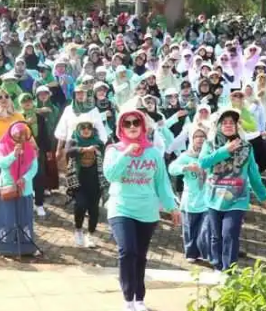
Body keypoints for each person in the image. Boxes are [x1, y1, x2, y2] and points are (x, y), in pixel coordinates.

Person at [103, 109, 180, 311]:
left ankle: (139, 298)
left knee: (140, 255)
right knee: (127, 251)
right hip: (121, 207)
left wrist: (173, 207)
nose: (132, 127)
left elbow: (162, 183)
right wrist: (127, 154)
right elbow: (111, 175)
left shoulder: (153, 152)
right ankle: (128, 299)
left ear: (143, 125)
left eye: (135, 122)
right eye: (126, 123)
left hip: (147, 210)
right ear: (121, 127)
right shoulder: (114, 150)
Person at [198, 108, 266, 271]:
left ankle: (229, 270)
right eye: (225, 122)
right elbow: (203, 163)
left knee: (230, 234)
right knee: (216, 236)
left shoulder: (247, 147)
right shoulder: (210, 144)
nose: (228, 125)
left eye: (232, 122)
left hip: (238, 199)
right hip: (214, 198)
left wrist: (263, 197)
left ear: (237, 126)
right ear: (219, 125)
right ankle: (217, 266)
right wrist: (224, 150)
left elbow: (254, 175)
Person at [0, 121, 39, 256]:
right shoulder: (2, 146)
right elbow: (1, 164)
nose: (20, 138)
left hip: (25, 189)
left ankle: (26, 247)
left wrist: (24, 178)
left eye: (23, 135)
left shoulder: (30, 149)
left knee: (24, 217)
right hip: (8, 187)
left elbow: (34, 167)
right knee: (7, 217)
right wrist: (13, 154)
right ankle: (5, 247)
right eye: (17, 135)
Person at [169, 125, 211, 263]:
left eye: (202, 136)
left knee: (206, 229)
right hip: (191, 199)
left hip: (208, 200)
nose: (200, 139)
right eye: (196, 136)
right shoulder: (186, 156)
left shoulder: (211, 155)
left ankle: (206, 252)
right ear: (192, 139)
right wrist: (186, 167)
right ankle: (192, 253)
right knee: (190, 229)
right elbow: (172, 168)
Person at [65, 116, 106, 248]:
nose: (86, 130)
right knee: (80, 205)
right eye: (83, 127)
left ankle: (90, 235)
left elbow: (107, 156)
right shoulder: (73, 141)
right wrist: (83, 150)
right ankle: (78, 230)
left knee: (94, 210)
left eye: (89, 127)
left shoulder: (98, 143)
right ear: (78, 129)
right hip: (78, 180)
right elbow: (69, 152)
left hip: (95, 181)